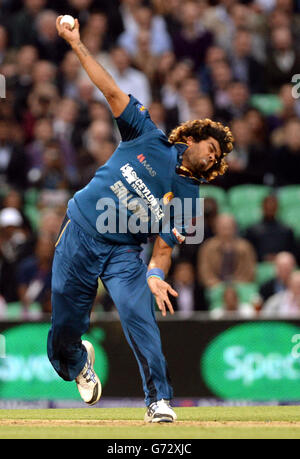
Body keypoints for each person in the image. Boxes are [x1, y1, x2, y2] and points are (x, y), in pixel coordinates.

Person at [48, 16, 233, 423]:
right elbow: (109, 89)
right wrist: (77, 43)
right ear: (191, 138)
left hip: (123, 253)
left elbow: (165, 246)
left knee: (140, 317)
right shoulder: (147, 134)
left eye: (218, 157)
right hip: (81, 227)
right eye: (211, 147)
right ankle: (77, 362)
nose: (213, 156)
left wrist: (154, 273)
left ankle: (158, 401)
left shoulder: (189, 198)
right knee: (63, 329)